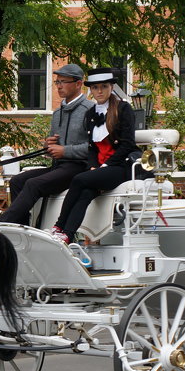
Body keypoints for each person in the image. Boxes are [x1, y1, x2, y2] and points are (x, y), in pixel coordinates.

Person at [0, 64, 95, 224]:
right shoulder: (57, 113)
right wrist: (48, 147)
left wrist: (64, 151)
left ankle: (3, 222)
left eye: (63, 81)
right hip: (58, 167)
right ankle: (20, 229)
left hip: (78, 168)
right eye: (57, 82)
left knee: (33, 184)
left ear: (78, 84)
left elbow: (95, 148)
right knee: (16, 181)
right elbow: (53, 149)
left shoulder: (90, 110)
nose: (59, 86)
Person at [49, 68, 138, 243]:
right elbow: (92, 147)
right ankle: (67, 235)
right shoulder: (91, 114)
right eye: (95, 87)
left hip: (119, 167)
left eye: (104, 87)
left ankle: (58, 225)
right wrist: (93, 165)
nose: (99, 91)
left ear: (111, 87)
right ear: (90, 89)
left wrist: (105, 166)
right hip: (100, 168)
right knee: (85, 193)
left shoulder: (123, 108)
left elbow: (127, 144)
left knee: (79, 179)